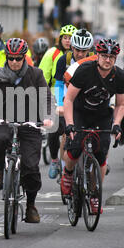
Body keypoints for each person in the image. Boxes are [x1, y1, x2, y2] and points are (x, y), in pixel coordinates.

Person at [0, 38, 55, 223]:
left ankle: (31, 205)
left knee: (31, 167)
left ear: (24, 57)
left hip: (30, 123)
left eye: (18, 58)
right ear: (6, 57)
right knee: (0, 138)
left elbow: (46, 97)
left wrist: (47, 116)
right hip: (4, 120)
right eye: (11, 58)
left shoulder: (36, 74)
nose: (14, 62)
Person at [60, 38, 124, 214]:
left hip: (101, 115)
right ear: (97, 55)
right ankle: (67, 174)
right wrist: (69, 124)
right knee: (74, 149)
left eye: (112, 57)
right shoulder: (84, 71)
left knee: (101, 154)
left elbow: (120, 105)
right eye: (104, 55)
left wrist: (117, 124)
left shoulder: (119, 77)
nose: (108, 60)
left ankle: (95, 195)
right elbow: (69, 99)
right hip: (80, 112)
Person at [47, 29, 96, 179]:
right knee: (62, 132)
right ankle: (61, 167)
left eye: (84, 50)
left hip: (88, 100)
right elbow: (59, 84)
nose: (80, 54)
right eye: (77, 50)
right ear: (71, 47)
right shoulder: (64, 60)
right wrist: (60, 103)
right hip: (67, 99)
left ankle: (98, 158)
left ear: (89, 50)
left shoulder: (94, 60)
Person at [38, 24, 77, 178]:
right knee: (53, 130)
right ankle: (54, 160)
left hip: (73, 95)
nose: (67, 41)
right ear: (60, 39)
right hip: (54, 94)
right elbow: (42, 77)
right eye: (65, 38)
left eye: (70, 38)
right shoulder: (52, 54)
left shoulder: (78, 54)